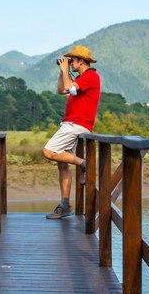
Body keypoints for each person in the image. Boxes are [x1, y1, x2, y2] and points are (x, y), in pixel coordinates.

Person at [43, 45, 101, 219]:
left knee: (49, 151)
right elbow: (61, 90)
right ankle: (65, 205)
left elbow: (71, 88)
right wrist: (63, 71)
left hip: (77, 123)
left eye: (72, 60)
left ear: (81, 61)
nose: (70, 62)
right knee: (63, 164)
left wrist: (65, 71)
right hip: (70, 123)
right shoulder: (81, 78)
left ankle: (85, 163)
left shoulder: (91, 76)